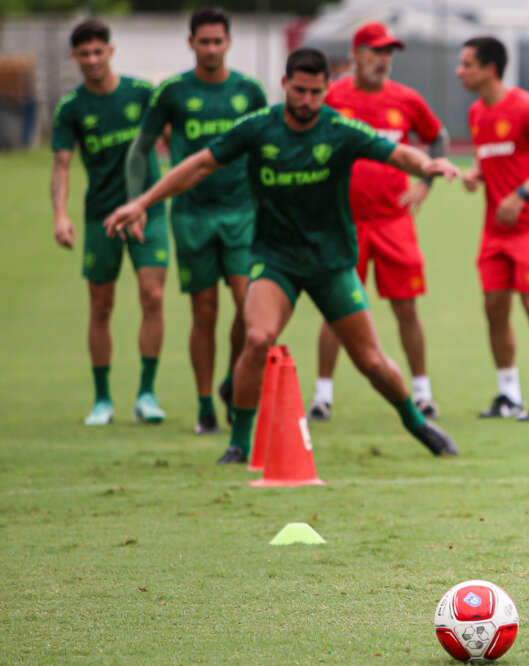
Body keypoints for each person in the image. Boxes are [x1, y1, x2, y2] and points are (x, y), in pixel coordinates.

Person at [105, 48, 459, 462]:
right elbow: (200, 164)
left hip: (330, 263)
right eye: (299, 90)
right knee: (257, 339)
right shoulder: (259, 128)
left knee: (371, 360)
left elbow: (398, 154)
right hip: (276, 261)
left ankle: (417, 423)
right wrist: (144, 201)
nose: (306, 100)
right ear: (285, 85)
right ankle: (239, 444)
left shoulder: (340, 130)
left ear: (327, 90)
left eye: (315, 92)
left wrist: (427, 165)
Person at [126, 7, 267, 435]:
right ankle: (205, 405)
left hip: (242, 212)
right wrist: (138, 204)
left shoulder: (249, 91)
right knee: (203, 312)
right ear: (191, 44)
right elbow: (140, 150)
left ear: (229, 42)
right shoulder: (171, 92)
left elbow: (264, 152)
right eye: (203, 41)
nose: (210, 48)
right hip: (192, 215)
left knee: (250, 308)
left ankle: (231, 383)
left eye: (217, 41)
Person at [307, 22, 449, 423]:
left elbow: (437, 137)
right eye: (376, 51)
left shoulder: (405, 98)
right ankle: (322, 396)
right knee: (337, 310)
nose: (384, 60)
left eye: (389, 53)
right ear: (357, 54)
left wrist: (426, 182)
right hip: (344, 223)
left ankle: (422, 392)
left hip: (393, 221)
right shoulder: (332, 96)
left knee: (406, 308)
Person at [50, 19, 170, 426]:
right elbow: (62, 165)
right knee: (101, 305)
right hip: (101, 217)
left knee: (153, 297)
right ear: (74, 58)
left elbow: (174, 140)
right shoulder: (72, 108)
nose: (93, 60)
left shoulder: (141, 95)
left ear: (111, 52)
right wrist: (61, 215)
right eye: (84, 54)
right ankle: (102, 399)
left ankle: (147, 394)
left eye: (99, 51)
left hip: (147, 212)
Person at [456, 36, 529, 423]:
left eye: (467, 64)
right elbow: (493, 159)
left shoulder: (526, 106)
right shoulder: (476, 113)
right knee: (494, 309)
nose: (460, 71)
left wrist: (520, 194)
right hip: (494, 230)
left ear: (489, 68)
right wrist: (477, 174)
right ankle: (508, 395)